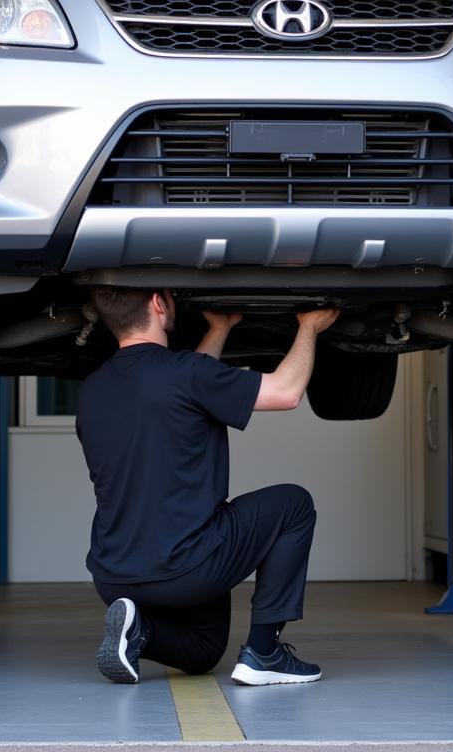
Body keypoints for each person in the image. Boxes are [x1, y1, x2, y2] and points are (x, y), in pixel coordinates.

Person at [76, 286, 339, 686]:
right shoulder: (185, 374)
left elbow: (189, 384)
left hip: (113, 576)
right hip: (188, 568)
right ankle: (265, 652)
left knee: (203, 652)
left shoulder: (93, 389)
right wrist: (310, 327)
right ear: (158, 304)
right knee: (294, 504)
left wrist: (220, 329)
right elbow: (286, 393)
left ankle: (137, 629)